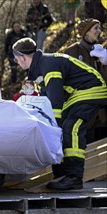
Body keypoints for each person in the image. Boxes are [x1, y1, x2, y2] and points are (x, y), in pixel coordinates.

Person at [13, 37, 107, 190]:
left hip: (90, 90)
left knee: (72, 127)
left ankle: (74, 177)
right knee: (64, 126)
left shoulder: (49, 66)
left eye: (17, 59)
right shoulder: (40, 68)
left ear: (23, 57)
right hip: (76, 95)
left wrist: (52, 127)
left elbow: (55, 102)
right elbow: (45, 100)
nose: (17, 63)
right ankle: (62, 171)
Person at [63, 18, 107, 141]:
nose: (100, 31)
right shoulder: (72, 51)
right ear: (86, 32)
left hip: (102, 114)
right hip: (83, 114)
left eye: (100, 28)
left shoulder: (100, 50)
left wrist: (105, 63)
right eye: (96, 28)